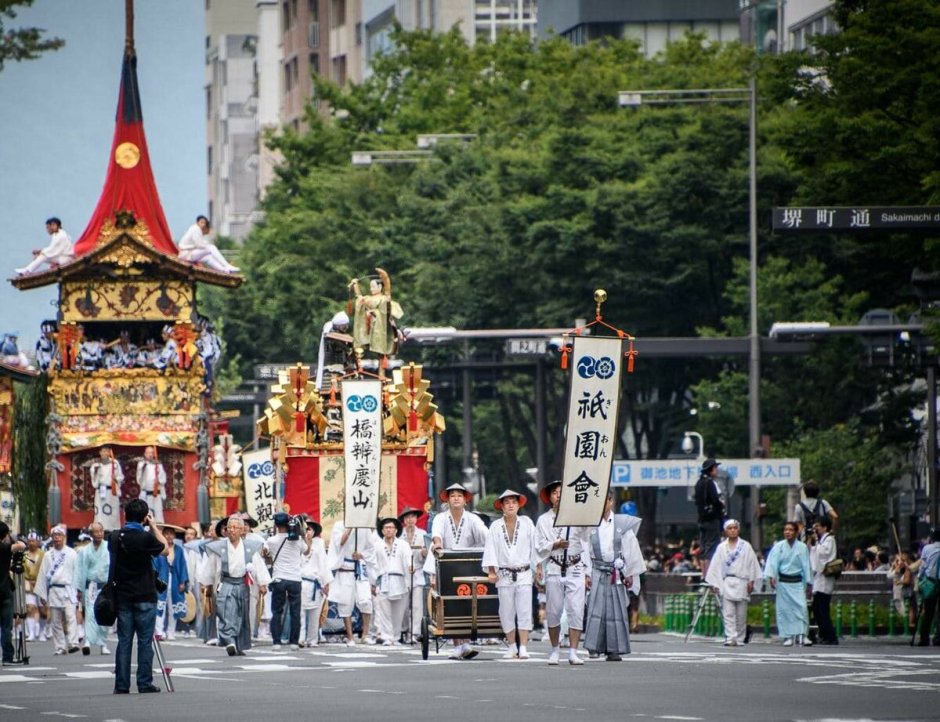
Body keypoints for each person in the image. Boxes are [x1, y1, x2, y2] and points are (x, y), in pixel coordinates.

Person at [110, 499, 170, 694]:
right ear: (145, 517)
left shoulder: (115, 536)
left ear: (125, 515)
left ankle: (121, 684)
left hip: (123, 595)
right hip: (145, 594)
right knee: (145, 641)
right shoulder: (145, 538)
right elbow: (165, 549)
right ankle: (144, 683)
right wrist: (153, 527)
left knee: (124, 640)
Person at [425, 482, 488, 660]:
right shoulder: (440, 518)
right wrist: (437, 543)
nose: (456, 499)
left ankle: (466, 643)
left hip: (468, 564)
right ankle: (457, 645)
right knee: (449, 604)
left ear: (465, 500)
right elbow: (436, 535)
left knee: (468, 603)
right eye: (452, 496)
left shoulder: (473, 519)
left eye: (459, 496)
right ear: (448, 500)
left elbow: (485, 534)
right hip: (446, 564)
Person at [583, 489, 646, 662]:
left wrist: (630, 572)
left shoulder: (622, 523)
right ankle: (593, 647)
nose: (604, 503)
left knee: (616, 610)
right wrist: (586, 573)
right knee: (595, 609)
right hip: (596, 569)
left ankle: (614, 649)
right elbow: (584, 550)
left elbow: (630, 549)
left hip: (616, 571)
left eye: (608, 499)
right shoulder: (589, 524)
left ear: (611, 501)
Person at [535, 479, 593, 666]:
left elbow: (586, 540)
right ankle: (554, 650)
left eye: (562, 492)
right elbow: (539, 546)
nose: (559, 495)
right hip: (554, 566)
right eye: (555, 493)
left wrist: (588, 571)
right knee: (553, 610)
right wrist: (555, 544)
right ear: (550, 498)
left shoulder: (576, 516)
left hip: (575, 567)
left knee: (576, 610)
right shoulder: (544, 520)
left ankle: (574, 651)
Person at [199, 516, 269, 656]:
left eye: (235, 528)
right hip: (225, 583)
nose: (231, 530)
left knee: (242, 615)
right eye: (229, 527)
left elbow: (258, 566)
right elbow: (210, 568)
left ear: (242, 530)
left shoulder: (250, 548)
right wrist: (207, 585)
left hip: (243, 583)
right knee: (225, 612)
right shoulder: (219, 548)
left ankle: (239, 644)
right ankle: (229, 640)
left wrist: (262, 583)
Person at [483, 490, 537, 660]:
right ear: (502, 507)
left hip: (524, 571)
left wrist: (539, 567)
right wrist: (492, 571)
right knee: (506, 611)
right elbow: (490, 549)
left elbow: (535, 546)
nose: (511, 505)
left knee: (524, 610)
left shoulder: (527, 523)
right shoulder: (495, 526)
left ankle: (524, 647)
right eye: (507, 503)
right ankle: (512, 646)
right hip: (504, 573)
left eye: (513, 502)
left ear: (519, 505)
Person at [704, 519, 762, 647]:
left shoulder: (746, 546)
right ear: (726, 531)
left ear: (738, 529)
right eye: (730, 528)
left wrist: (751, 580)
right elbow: (715, 566)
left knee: (741, 614)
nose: (732, 530)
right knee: (728, 612)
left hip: (742, 580)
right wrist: (715, 583)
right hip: (727, 581)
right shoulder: (721, 548)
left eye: (735, 528)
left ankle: (740, 638)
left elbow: (752, 564)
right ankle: (730, 637)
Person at [327, 520, 377, 647]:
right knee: (345, 604)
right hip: (345, 568)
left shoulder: (364, 526)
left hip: (360, 567)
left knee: (366, 601)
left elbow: (371, 548)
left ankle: (365, 634)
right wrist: (349, 528)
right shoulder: (339, 525)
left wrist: (362, 554)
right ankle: (350, 636)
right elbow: (339, 542)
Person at [265, 512, 311, 650]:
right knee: (295, 612)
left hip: (279, 578)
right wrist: (304, 536)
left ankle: (277, 642)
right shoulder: (297, 540)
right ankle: (293, 642)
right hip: (295, 579)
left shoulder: (271, 541)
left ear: (276, 525)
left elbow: (267, 557)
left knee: (277, 611)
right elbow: (307, 552)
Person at [764, 521, 813, 647]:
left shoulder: (802, 547)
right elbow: (773, 563)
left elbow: (806, 566)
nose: (787, 532)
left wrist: (808, 583)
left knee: (801, 608)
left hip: (797, 582)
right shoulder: (779, 547)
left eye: (791, 530)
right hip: (783, 583)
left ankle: (803, 635)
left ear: (796, 532)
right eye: (786, 529)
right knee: (784, 610)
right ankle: (787, 636)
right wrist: (772, 576)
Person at [34, 526, 80, 655]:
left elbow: (77, 572)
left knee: (70, 617)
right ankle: (60, 646)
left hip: (68, 589)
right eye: (54, 536)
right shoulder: (48, 555)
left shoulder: (71, 553)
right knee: (55, 620)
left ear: (64, 537)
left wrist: (78, 589)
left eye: (59, 536)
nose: (56, 538)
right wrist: (43, 594)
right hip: (54, 590)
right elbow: (43, 574)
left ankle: (73, 643)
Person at [373, 516, 412, 646]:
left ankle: (396, 636)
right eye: (386, 528)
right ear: (382, 530)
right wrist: (373, 583)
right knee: (384, 610)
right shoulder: (377, 545)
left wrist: (410, 567)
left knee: (398, 611)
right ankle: (387, 637)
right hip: (383, 579)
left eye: (391, 527)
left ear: (396, 530)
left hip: (399, 579)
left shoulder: (403, 544)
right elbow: (373, 564)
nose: (389, 530)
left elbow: (408, 558)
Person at [73, 522, 111, 655]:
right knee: (90, 613)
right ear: (91, 534)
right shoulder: (85, 551)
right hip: (91, 586)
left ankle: (103, 643)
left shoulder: (108, 548)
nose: (99, 534)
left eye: (101, 531)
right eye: (96, 531)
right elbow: (80, 570)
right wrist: (79, 589)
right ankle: (88, 641)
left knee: (105, 613)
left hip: (105, 586)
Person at [350, 268, 403, 357]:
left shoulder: (383, 299)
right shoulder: (368, 298)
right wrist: (356, 287)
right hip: (370, 327)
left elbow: (381, 304)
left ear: (380, 287)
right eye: (371, 287)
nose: (371, 289)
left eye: (373, 287)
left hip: (381, 327)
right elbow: (361, 300)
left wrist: (386, 280)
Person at [153, 524, 189, 641]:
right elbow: (155, 565)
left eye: (171, 534)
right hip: (161, 579)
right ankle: (159, 631)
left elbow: (182, 566)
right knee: (160, 605)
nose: (169, 536)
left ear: (174, 535)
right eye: (166, 534)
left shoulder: (178, 550)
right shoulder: (158, 548)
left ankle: (171, 631)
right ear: (162, 535)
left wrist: (183, 581)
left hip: (175, 579)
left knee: (173, 607)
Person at [298, 519, 331, 648]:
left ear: (314, 532)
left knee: (315, 613)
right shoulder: (298, 543)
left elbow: (323, 564)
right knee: (300, 613)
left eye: (309, 529)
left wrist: (326, 582)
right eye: (305, 529)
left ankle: (312, 639)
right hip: (301, 581)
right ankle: (300, 638)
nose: (307, 532)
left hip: (315, 582)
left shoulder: (319, 544)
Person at [399, 506, 428, 644]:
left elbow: (427, 554)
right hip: (404, 573)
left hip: (418, 570)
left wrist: (424, 553)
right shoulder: (399, 536)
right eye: (407, 517)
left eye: (412, 517)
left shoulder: (422, 534)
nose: (410, 520)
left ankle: (416, 632)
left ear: (416, 519)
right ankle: (404, 630)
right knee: (403, 605)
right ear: (404, 520)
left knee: (417, 605)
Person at [809, 516, 838, 645]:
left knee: (822, 609)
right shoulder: (822, 540)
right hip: (819, 578)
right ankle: (823, 634)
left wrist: (817, 543)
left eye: (818, 526)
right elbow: (814, 556)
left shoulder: (829, 539)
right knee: (817, 608)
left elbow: (823, 555)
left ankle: (830, 636)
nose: (816, 529)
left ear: (825, 527)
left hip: (825, 578)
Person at [0, 522, 26, 664]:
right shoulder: (5, 547)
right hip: (4, 591)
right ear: (4, 535)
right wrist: (12, 539)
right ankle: (8, 657)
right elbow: (21, 545)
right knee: (6, 627)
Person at [694, 458, 725, 577]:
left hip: (701, 519)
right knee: (712, 546)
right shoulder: (710, 483)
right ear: (711, 469)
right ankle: (708, 575)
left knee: (703, 547)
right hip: (712, 519)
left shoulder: (698, 483)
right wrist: (720, 507)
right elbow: (715, 500)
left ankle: (703, 574)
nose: (717, 470)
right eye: (715, 468)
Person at [916, 527, 940, 647]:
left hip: (930, 582)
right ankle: (938, 637)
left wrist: (920, 579)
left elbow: (923, 566)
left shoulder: (927, 548)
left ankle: (923, 638)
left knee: (928, 612)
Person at [91, 446, 123, 531]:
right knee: (100, 511)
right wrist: (95, 472)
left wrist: (116, 479)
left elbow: (120, 476)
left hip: (111, 490)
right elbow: (94, 482)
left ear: (109, 453)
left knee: (112, 510)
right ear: (100, 452)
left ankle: (113, 529)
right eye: (103, 451)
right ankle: (100, 528)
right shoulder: (96, 465)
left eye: (107, 451)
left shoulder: (115, 463)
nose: (105, 453)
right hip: (100, 490)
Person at [22, 531, 45, 642]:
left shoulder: (43, 554)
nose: (31, 543)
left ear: (38, 542)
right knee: (30, 607)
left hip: (41, 583)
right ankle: (31, 633)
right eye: (29, 541)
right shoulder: (24, 555)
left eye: (33, 541)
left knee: (43, 609)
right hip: (28, 583)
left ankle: (41, 631)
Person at [136, 447, 167, 523]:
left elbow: (163, 478)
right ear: (145, 454)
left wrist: (158, 481)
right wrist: (144, 467)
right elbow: (139, 478)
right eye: (148, 453)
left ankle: (158, 528)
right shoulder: (141, 464)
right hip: (145, 493)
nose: (150, 455)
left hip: (156, 493)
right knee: (146, 513)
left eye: (151, 453)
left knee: (158, 513)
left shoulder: (158, 465)